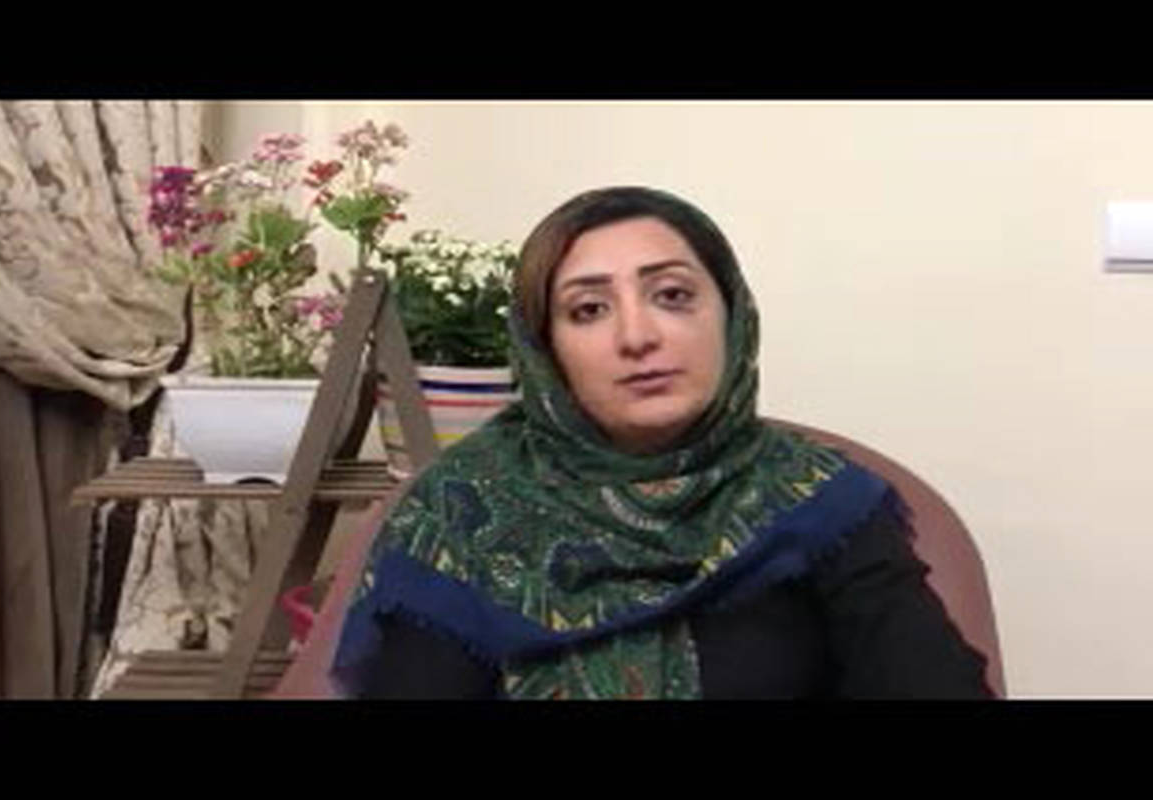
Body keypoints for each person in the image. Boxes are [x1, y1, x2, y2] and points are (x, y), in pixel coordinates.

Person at [312, 186, 992, 699]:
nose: (637, 337)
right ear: (546, 350)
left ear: (731, 315)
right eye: (589, 309)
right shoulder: (460, 511)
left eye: (671, 296)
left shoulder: (818, 500)